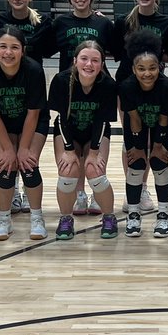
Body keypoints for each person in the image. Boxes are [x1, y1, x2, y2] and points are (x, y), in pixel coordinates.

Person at [33, 0, 118, 218]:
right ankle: (78, 196)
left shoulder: (103, 25)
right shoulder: (60, 23)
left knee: (92, 162)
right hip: (71, 87)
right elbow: (42, 47)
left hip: (95, 88)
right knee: (71, 162)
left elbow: (119, 48)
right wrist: (42, 24)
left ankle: (97, 197)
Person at [0, 26, 48, 242]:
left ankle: (37, 218)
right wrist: (8, 149)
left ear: (23, 50)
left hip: (33, 122)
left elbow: (34, 114)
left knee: (28, 165)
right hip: (2, 124)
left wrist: (24, 149)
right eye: (3, 46)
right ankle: (4, 219)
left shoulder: (33, 70)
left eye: (14, 47)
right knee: (6, 166)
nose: (8, 52)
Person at [47, 41, 119, 240]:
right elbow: (60, 118)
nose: (89, 64)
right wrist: (69, 150)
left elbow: (103, 121)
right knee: (68, 172)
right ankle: (66, 218)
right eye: (84, 59)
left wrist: (94, 152)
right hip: (67, 132)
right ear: (75, 61)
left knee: (94, 172)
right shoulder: (62, 81)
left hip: (95, 132)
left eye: (95, 60)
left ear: (102, 63)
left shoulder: (107, 85)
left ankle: (109, 217)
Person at [119, 31, 168, 238]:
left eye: (152, 68)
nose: (147, 73)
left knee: (160, 165)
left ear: (159, 67)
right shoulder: (126, 87)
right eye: (141, 69)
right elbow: (133, 118)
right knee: (136, 165)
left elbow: (164, 119)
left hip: (163, 125)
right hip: (136, 126)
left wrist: (158, 146)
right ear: (134, 69)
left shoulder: (167, 86)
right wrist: (138, 147)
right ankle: (133, 215)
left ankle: (163, 215)